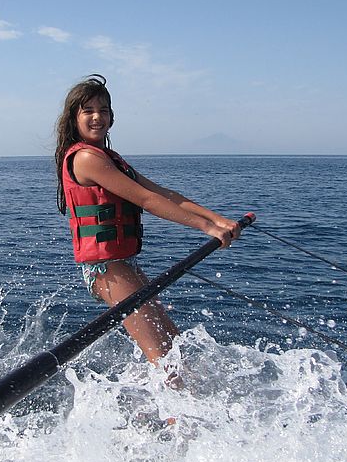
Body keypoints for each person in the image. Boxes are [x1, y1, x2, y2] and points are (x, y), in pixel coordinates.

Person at [54, 74, 241, 386]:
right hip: (106, 270)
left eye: (103, 110)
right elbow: (146, 200)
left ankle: (161, 417)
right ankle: (180, 430)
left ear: (112, 117)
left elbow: (165, 194)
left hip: (124, 265)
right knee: (168, 367)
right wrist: (206, 227)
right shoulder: (86, 158)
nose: (97, 116)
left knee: (175, 352)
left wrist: (218, 220)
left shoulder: (109, 158)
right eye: (88, 110)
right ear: (74, 118)